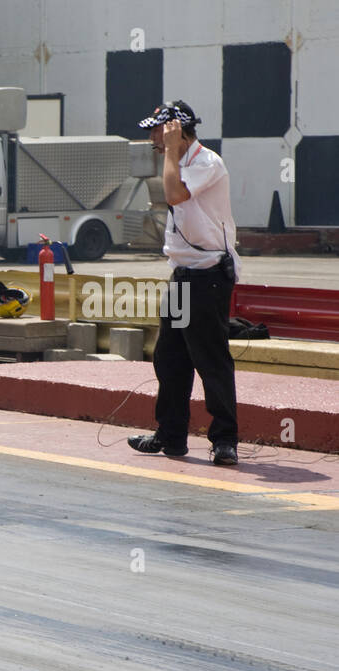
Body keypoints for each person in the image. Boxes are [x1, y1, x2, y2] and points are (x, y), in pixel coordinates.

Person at [127, 100, 241, 466]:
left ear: (176, 129)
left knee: (210, 360)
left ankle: (225, 440)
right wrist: (172, 152)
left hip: (207, 276)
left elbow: (174, 194)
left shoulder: (206, 162)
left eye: (157, 131)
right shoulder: (179, 161)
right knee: (170, 358)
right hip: (182, 274)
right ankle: (171, 435)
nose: (152, 139)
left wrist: (173, 151)